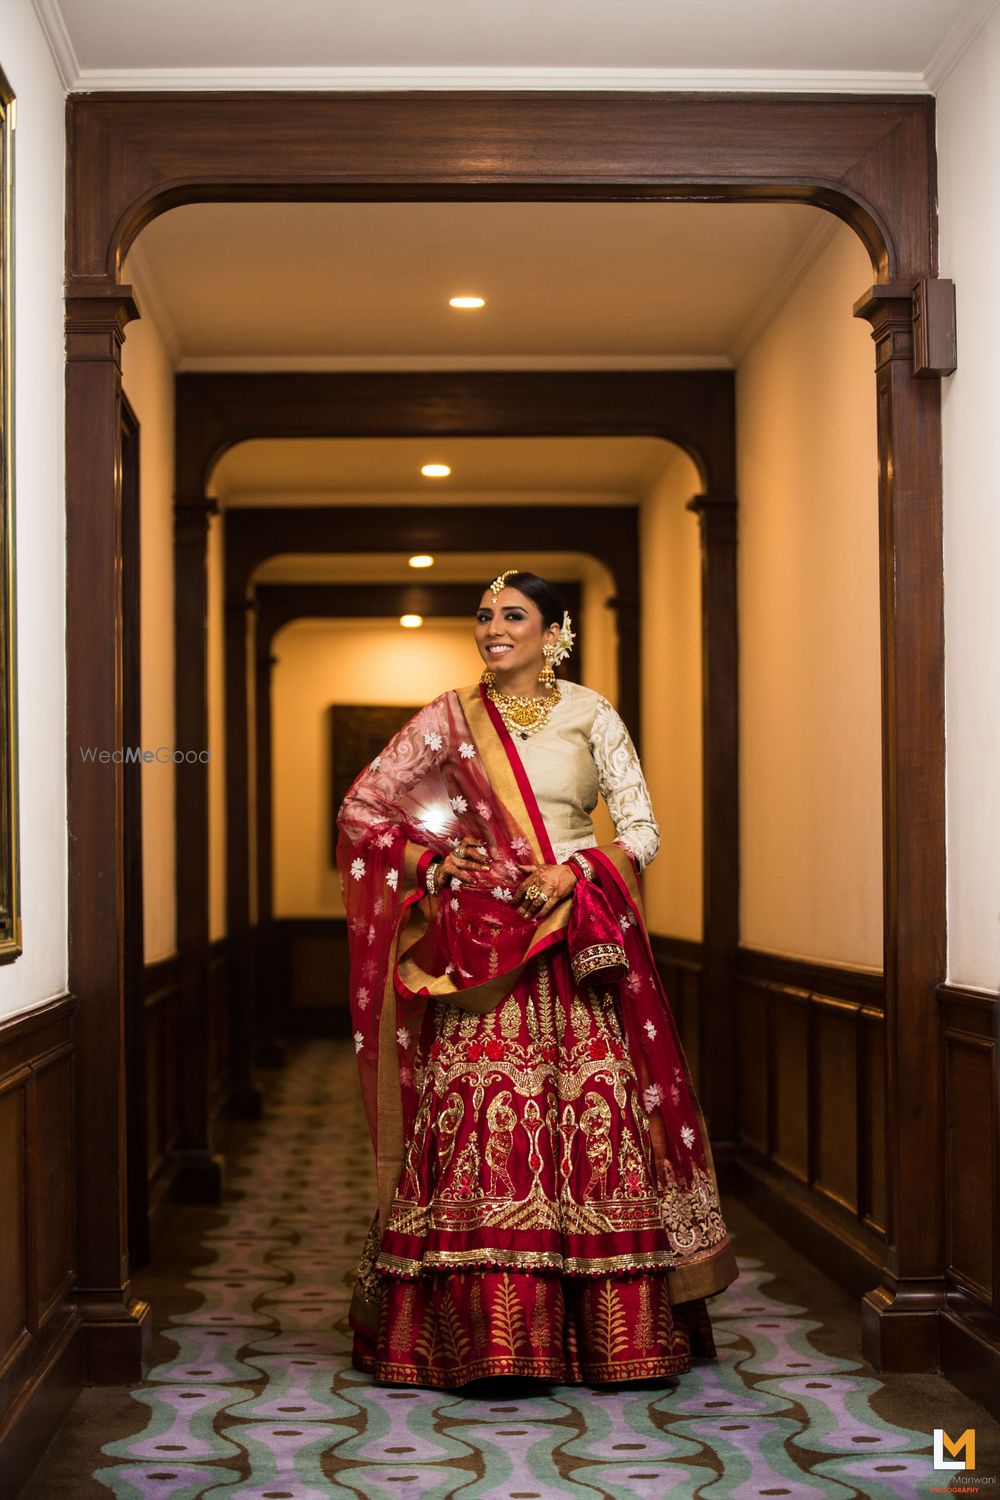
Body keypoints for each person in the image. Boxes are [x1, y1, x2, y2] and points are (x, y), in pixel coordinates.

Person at [336, 569, 737, 1387]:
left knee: (593, 1119)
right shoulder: (449, 719)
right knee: (480, 1124)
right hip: (481, 954)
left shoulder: (592, 715)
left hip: (572, 945)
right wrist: (437, 864)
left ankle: (610, 1337)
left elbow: (643, 829)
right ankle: (485, 1340)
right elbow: (361, 811)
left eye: (513, 615)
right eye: (483, 615)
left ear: (554, 632)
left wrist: (576, 870)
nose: (492, 627)